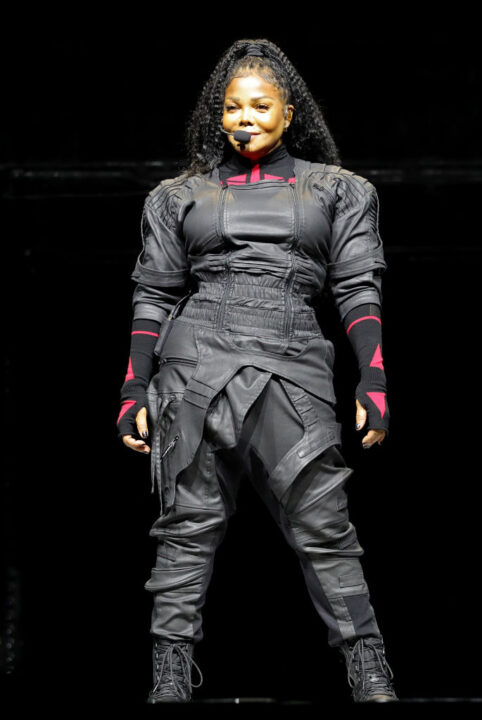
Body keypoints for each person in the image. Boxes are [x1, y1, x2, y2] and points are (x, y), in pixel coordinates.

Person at [117, 38, 397, 704]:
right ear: (219, 116)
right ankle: (169, 678)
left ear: (287, 111)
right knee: (187, 525)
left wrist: (375, 380)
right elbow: (153, 292)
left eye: (259, 105)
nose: (244, 118)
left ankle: (371, 671)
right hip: (195, 367)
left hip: (293, 359)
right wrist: (133, 387)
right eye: (232, 107)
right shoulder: (176, 195)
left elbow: (357, 288)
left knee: (324, 524)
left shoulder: (339, 190)